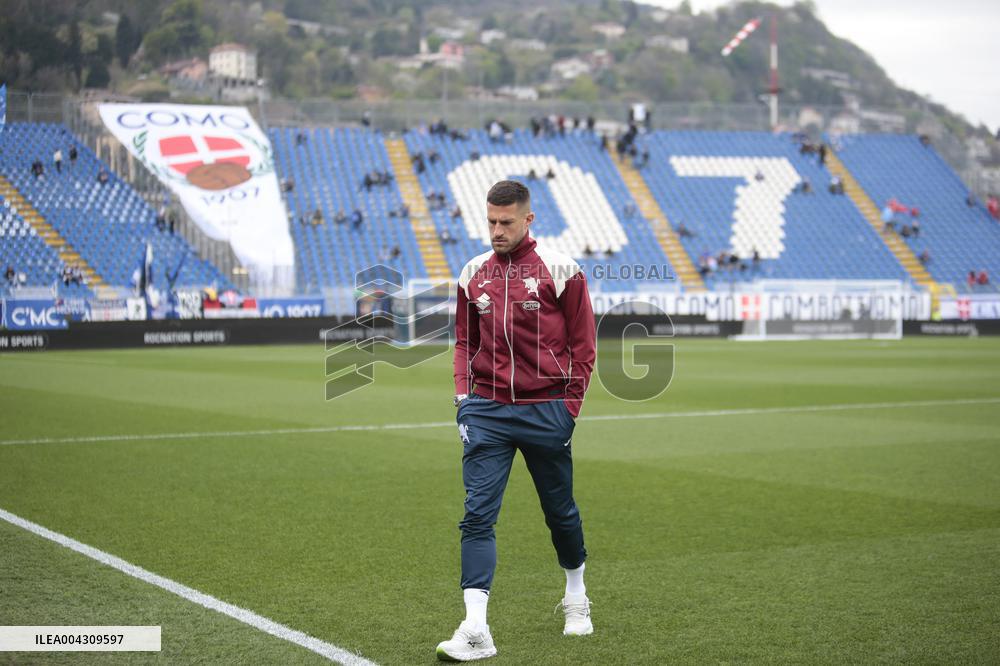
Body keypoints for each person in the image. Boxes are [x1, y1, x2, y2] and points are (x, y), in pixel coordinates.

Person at [439, 180, 596, 661]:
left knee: (559, 511)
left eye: (506, 221)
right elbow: (465, 341)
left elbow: (584, 346)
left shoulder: (562, 270)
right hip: (485, 412)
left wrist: (569, 409)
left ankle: (576, 597)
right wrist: (463, 398)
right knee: (477, 516)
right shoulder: (472, 273)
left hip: (546, 409)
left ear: (528, 219)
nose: (496, 230)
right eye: (490, 221)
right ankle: (474, 629)